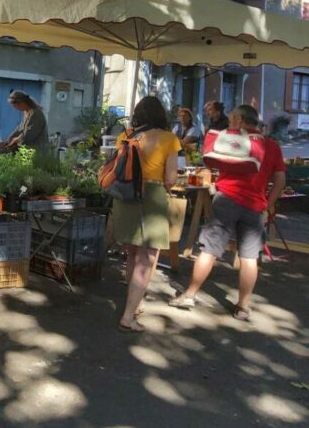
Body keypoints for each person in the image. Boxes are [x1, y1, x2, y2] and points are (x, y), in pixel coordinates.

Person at [169, 105, 285, 322]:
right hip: (255, 205)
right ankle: (242, 307)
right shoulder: (271, 146)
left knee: (209, 250)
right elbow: (279, 180)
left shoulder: (230, 140)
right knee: (249, 257)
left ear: (240, 120)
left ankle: (189, 295)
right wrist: (267, 204)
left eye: (232, 120)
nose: (230, 123)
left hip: (227, 200)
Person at [113, 96, 181, 332]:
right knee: (148, 258)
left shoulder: (126, 136)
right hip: (150, 198)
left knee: (132, 253)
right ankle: (128, 316)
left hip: (125, 196)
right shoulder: (169, 139)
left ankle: (134, 303)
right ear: (161, 115)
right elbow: (171, 179)